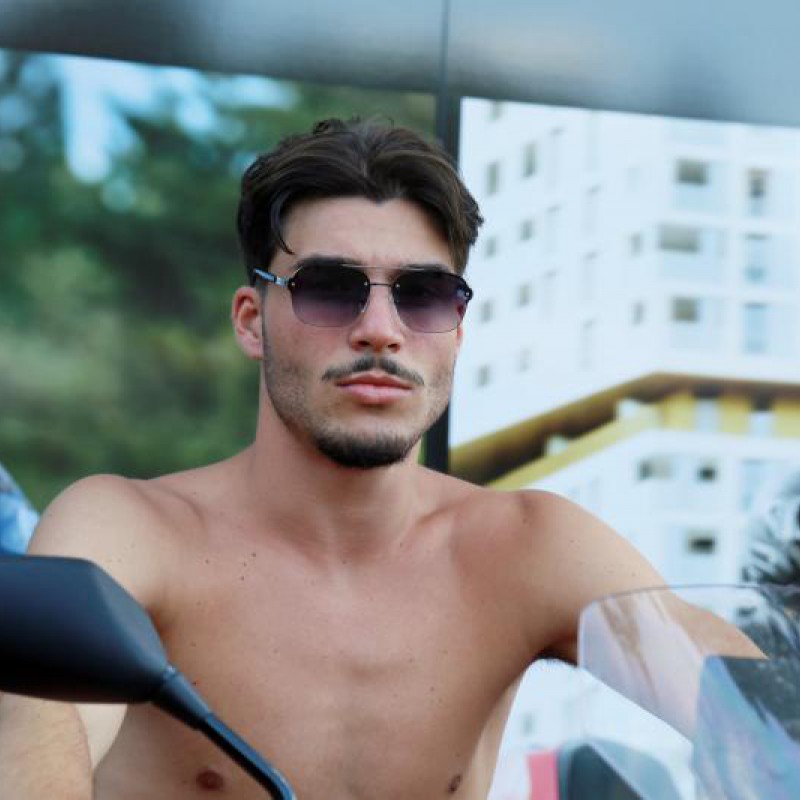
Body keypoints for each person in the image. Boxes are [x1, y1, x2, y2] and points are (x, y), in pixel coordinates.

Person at [0, 118, 666, 799]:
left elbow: (730, 689)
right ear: (251, 321)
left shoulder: (530, 547)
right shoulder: (127, 531)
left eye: (422, 296)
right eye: (327, 288)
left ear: (458, 331)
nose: (380, 331)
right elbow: (37, 743)